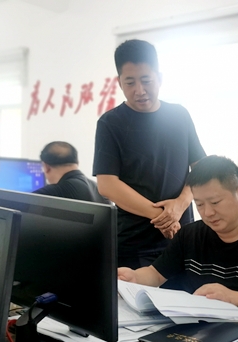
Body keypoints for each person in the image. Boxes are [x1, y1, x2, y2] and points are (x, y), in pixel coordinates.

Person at [117, 155, 238, 327]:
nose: (208, 213)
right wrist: (134, 277)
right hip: (201, 329)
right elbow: (156, 274)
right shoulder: (190, 235)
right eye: (199, 204)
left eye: (215, 202)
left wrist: (233, 297)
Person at [93, 39, 206, 269]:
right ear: (119, 83)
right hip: (133, 243)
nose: (140, 90)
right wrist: (163, 217)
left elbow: (202, 169)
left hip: (181, 236)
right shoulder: (110, 123)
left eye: (146, 80)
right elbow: (107, 184)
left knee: (181, 292)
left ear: (160, 78)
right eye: (130, 82)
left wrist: (180, 205)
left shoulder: (179, 116)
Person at [33, 141, 109, 204]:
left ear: (46, 167)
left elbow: (26, 204)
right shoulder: (100, 191)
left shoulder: (54, 192)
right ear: (77, 163)